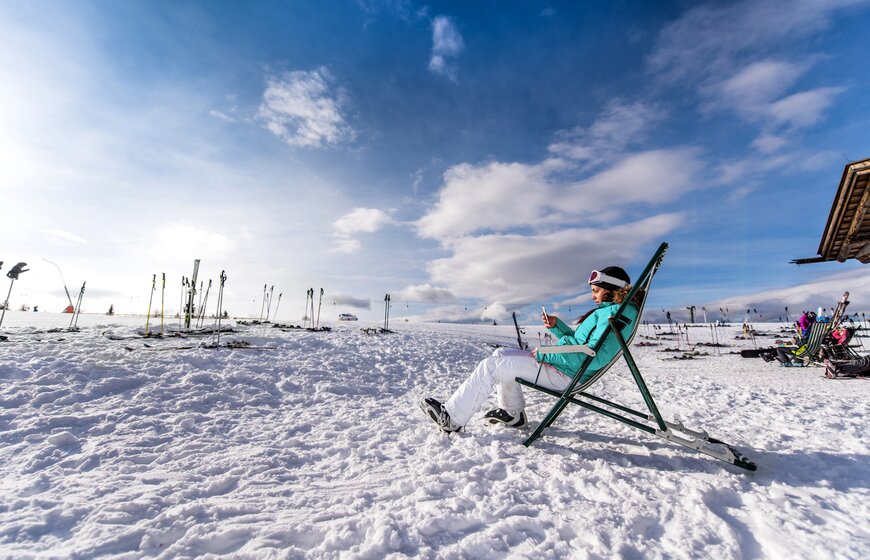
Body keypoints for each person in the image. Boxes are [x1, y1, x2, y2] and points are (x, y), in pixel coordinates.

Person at [420, 266, 640, 433]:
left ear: (612, 289)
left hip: (569, 374)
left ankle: (452, 419)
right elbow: (581, 344)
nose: (593, 296)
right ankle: (512, 414)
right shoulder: (608, 311)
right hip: (568, 367)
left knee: (492, 366)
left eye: (597, 290)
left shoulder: (618, 314)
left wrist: (547, 353)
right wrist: (557, 327)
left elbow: (594, 357)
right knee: (500, 355)